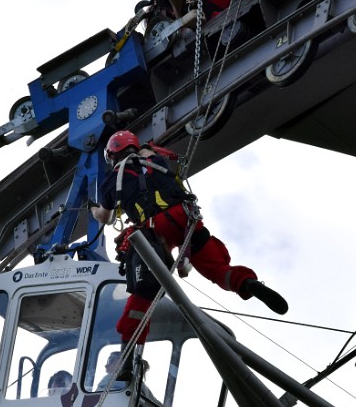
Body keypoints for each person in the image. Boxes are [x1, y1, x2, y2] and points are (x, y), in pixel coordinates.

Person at [90, 130, 288, 347]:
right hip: (185, 217)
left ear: (112, 155)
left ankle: (129, 349)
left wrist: (93, 208)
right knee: (219, 268)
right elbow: (148, 152)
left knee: (144, 291)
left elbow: (105, 218)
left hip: (155, 229)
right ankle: (248, 284)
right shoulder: (154, 158)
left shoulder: (111, 182)